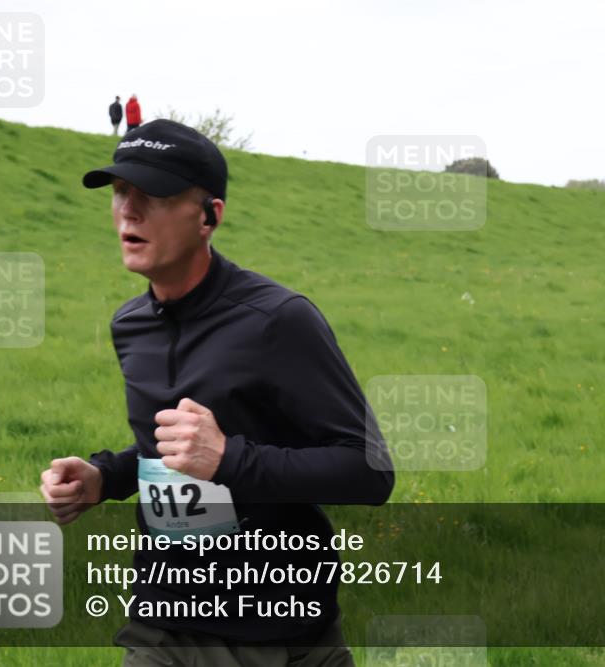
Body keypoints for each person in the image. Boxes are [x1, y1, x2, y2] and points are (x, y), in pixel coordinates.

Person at [39, 119, 394, 666]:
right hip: (164, 620)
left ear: (210, 216)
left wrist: (229, 458)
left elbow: (369, 471)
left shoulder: (278, 320)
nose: (128, 211)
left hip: (279, 630)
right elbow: (170, 454)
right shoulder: (131, 324)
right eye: (119, 192)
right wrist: (104, 478)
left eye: (152, 195)